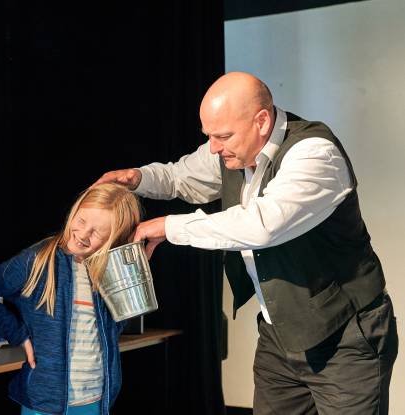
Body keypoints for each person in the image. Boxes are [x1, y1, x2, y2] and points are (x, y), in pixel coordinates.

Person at [94, 71, 398, 414]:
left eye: (222, 136)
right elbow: (183, 176)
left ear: (262, 121)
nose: (213, 147)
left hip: (345, 336)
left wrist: (168, 227)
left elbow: (264, 225)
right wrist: (139, 179)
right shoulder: (231, 149)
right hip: (279, 336)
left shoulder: (314, 153)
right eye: (208, 136)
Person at [0, 183, 141, 415]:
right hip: (44, 403)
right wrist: (20, 336)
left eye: (97, 232)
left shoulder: (107, 271)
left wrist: (132, 268)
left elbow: (118, 325)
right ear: (74, 212)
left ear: (113, 238)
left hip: (97, 399)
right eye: (82, 221)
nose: (83, 234)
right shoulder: (38, 260)